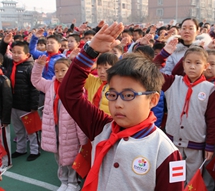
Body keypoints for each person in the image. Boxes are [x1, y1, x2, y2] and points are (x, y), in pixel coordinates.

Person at [59, 22, 184, 191]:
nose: (117, 104)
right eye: (112, 94)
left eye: (128, 95)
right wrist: (90, 51)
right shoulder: (102, 127)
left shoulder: (166, 152)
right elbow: (69, 94)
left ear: (153, 100)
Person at [161, 46, 215, 183]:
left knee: (193, 179)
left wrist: (210, 145)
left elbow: (212, 120)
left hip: (196, 144)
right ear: (182, 64)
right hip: (173, 143)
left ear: (206, 66)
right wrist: (164, 54)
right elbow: (149, 71)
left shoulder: (210, 89)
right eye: (188, 62)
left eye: (197, 63)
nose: (192, 67)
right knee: (174, 178)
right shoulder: (172, 82)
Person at [31, 56, 87, 191]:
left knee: (71, 157)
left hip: (70, 131)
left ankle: (73, 182)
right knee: (59, 157)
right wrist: (38, 66)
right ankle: (64, 181)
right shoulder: (50, 85)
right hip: (54, 129)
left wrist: (82, 138)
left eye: (63, 70)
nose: (60, 74)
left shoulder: (76, 88)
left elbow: (80, 114)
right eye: (57, 71)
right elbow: (36, 80)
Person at [0, 35, 40, 162]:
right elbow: (1, 54)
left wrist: (34, 105)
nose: (16, 55)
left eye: (19, 53)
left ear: (27, 54)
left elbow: (35, 88)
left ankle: (35, 150)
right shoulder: (11, 63)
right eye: (14, 52)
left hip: (27, 105)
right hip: (14, 104)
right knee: (18, 129)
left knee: (31, 130)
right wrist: (4, 43)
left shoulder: (30, 67)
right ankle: (21, 149)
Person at [0, 54, 13, 172]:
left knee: (4, 140)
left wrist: (5, 119)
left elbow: (7, 101)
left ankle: (7, 162)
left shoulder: (4, 80)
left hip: (1, 117)